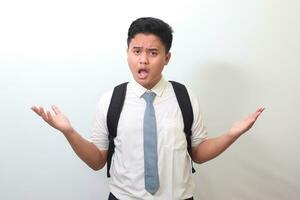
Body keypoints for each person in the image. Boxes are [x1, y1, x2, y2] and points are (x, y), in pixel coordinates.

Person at [31, 17, 264, 200]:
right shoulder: (111, 100)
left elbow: (198, 153)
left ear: (167, 57)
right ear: (127, 53)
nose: (143, 60)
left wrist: (231, 135)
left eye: (153, 53)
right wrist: (68, 132)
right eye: (137, 51)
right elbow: (97, 161)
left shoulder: (185, 97)